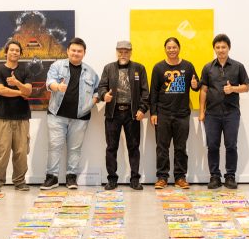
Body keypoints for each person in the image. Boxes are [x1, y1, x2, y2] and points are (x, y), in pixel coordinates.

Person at [43, 38, 99, 190]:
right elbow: (49, 82)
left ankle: (71, 178)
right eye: (73, 50)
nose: (76, 53)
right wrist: (57, 87)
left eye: (79, 51)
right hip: (57, 115)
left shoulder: (91, 72)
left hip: (80, 117)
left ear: (84, 53)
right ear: (68, 51)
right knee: (54, 146)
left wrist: (92, 102)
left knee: (75, 149)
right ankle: (52, 177)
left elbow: (98, 90)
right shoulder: (57, 66)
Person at [95, 40, 149, 191]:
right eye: (120, 51)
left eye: (126, 52)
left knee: (134, 147)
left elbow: (145, 92)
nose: (123, 54)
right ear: (117, 52)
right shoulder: (109, 68)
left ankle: (135, 179)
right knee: (111, 147)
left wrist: (142, 109)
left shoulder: (139, 68)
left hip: (133, 113)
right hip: (113, 113)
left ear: (131, 53)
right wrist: (104, 95)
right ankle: (112, 179)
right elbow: (101, 87)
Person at [199, 34, 249, 189]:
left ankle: (230, 176)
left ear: (229, 48)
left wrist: (233, 88)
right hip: (211, 114)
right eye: (218, 47)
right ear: (214, 49)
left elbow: (246, 87)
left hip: (231, 113)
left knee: (231, 146)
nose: (221, 50)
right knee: (212, 146)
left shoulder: (238, 66)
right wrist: (201, 112)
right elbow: (203, 90)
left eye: (223, 47)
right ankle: (214, 176)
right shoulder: (208, 68)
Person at [149, 37, 199, 189]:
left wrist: (195, 85)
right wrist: (153, 113)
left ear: (179, 48)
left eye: (174, 47)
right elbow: (154, 92)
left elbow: (196, 86)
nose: (172, 50)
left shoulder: (188, 66)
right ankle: (162, 177)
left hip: (182, 114)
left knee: (180, 148)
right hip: (163, 114)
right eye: (169, 47)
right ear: (165, 49)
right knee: (162, 148)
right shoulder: (158, 67)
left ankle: (180, 177)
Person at [0, 40, 33, 193]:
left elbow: (29, 91)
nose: (14, 52)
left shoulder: (26, 71)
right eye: (12, 50)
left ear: (20, 54)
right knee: (1, 152)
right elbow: (0, 90)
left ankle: (20, 181)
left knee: (21, 152)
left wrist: (16, 83)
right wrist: (21, 92)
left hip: (22, 117)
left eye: (17, 50)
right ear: (6, 52)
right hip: (2, 117)